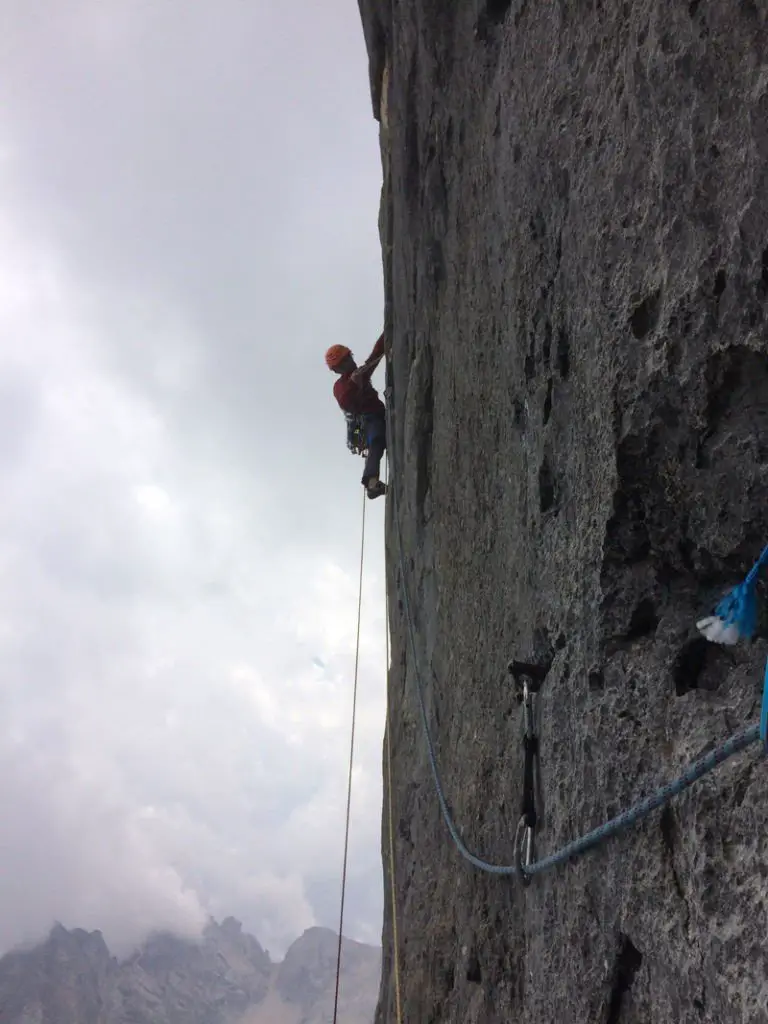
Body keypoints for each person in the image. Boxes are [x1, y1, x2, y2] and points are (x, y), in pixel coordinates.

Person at [325, 333, 388, 499]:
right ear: (337, 370)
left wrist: (386, 334)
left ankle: (372, 482)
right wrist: (354, 383)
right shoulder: (340, 386)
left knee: (378, 439)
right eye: (345, 361)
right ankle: (372, 483)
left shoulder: (359, 373)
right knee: (376, 440)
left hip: (380, 414)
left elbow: (374, 357)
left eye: (349, 357)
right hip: (368, 419)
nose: (350, 362)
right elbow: (345, 400)